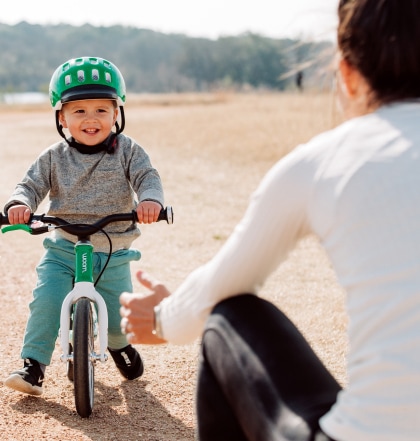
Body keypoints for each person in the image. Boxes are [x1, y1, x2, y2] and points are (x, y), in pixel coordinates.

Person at [120, 1, 420, 440]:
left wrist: (163, 319)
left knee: (231, 316)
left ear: (349, 75)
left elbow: (218, 290)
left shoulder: (324, 161)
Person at [4, 56, 165, 396]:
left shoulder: (128, 151)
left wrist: (151, 201)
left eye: (101, 110)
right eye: (79, 111)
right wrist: (20, 205)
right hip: (64, 248)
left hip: (113, 250)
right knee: (46, 301)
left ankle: (119, 346)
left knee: (119, 314)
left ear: (116, 114)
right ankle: (34, 367)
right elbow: (29, 186)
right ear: (61, 116)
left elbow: (147, 178)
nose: (91, 119)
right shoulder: (53, 156)